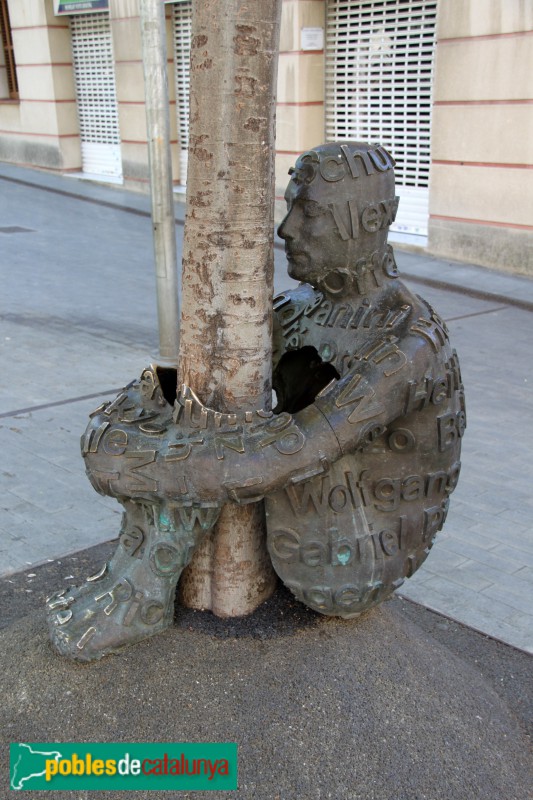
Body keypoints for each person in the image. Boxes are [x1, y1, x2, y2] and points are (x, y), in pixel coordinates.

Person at [46, 142, 465, 661]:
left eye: (309, 212)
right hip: (303, 489)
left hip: (350, 555)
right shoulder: (296, 307)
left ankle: (139, 594)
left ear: (373, 219)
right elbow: (195, 387)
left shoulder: (409, 342)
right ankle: (138, 589)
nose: (286, 229)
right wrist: (134, 419)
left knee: (217, 444)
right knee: (207, 419)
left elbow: (281, 456)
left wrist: (131, 460)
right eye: (290, 208)